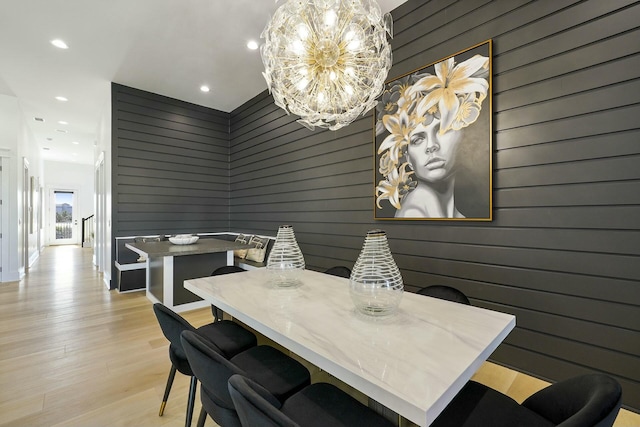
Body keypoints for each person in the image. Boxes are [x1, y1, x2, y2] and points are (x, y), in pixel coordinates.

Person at [375, 53, 490, 219]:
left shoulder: (455, 216)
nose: (431, 146)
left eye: (442, 130)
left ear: (463, 137)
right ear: (408, 159)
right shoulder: (412, 213)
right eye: (417, 139)